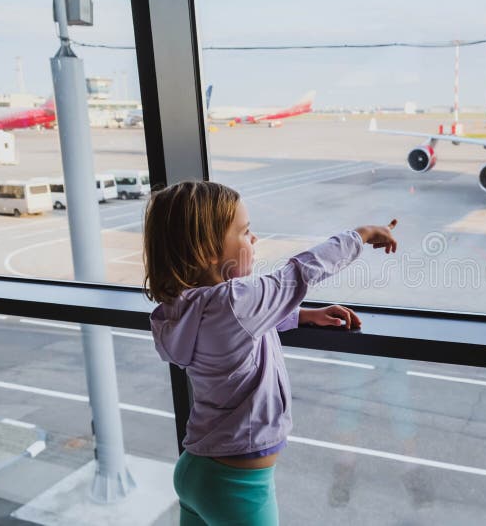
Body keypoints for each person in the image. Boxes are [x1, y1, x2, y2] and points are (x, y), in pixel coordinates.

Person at [143, 180, 398, 526]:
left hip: (196, 470)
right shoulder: (235, 301)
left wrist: (302, 315)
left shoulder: (184, 308)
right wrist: (362, 234)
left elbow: (236, 332)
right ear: (208, 251)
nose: (254, 239)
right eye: (245, 232)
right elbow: (299, 273)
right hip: (238, 488)